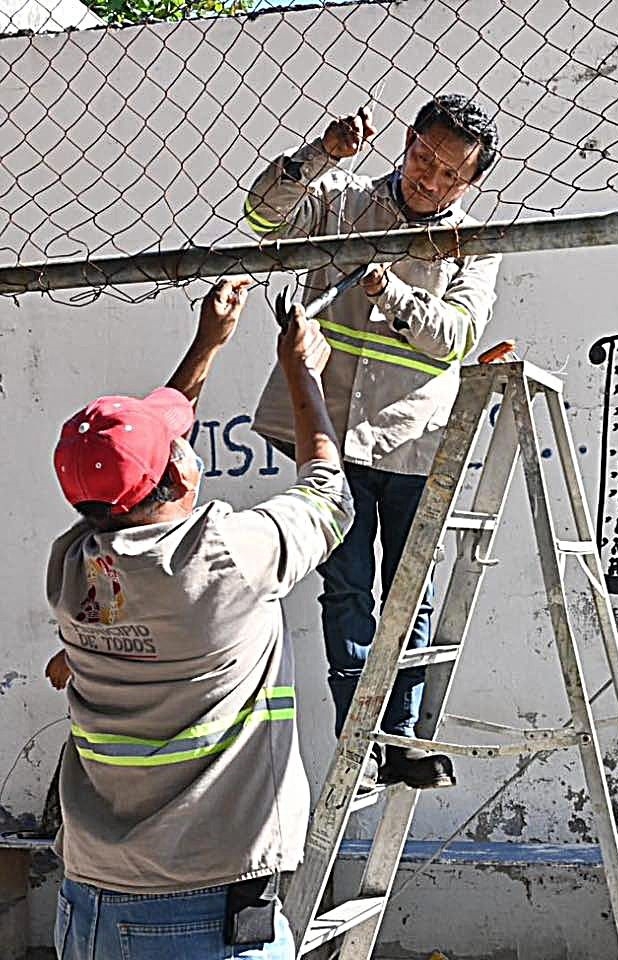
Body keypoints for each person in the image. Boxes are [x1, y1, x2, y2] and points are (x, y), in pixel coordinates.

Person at [47, 278, 352, 960]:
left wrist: (206, 345)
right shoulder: (226, 557)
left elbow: (137, 458)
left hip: (92, 896)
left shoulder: (73, 568)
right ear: (184, 481)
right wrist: (303, 374)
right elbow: (329, 496)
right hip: (204, 911)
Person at [243, 94, 502, 790]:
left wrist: (391, 293)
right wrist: (322, 153)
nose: (432, 180)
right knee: (347, 590)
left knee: (408, 593)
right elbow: (263, 216)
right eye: (425, 159)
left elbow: (455, 338)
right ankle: (358, 742)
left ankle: (405, 738)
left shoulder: (473, 245)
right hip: (331, 433)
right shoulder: (345, 198)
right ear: (408, 142)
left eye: (452, 174)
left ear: (470, 183)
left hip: (413, 438)